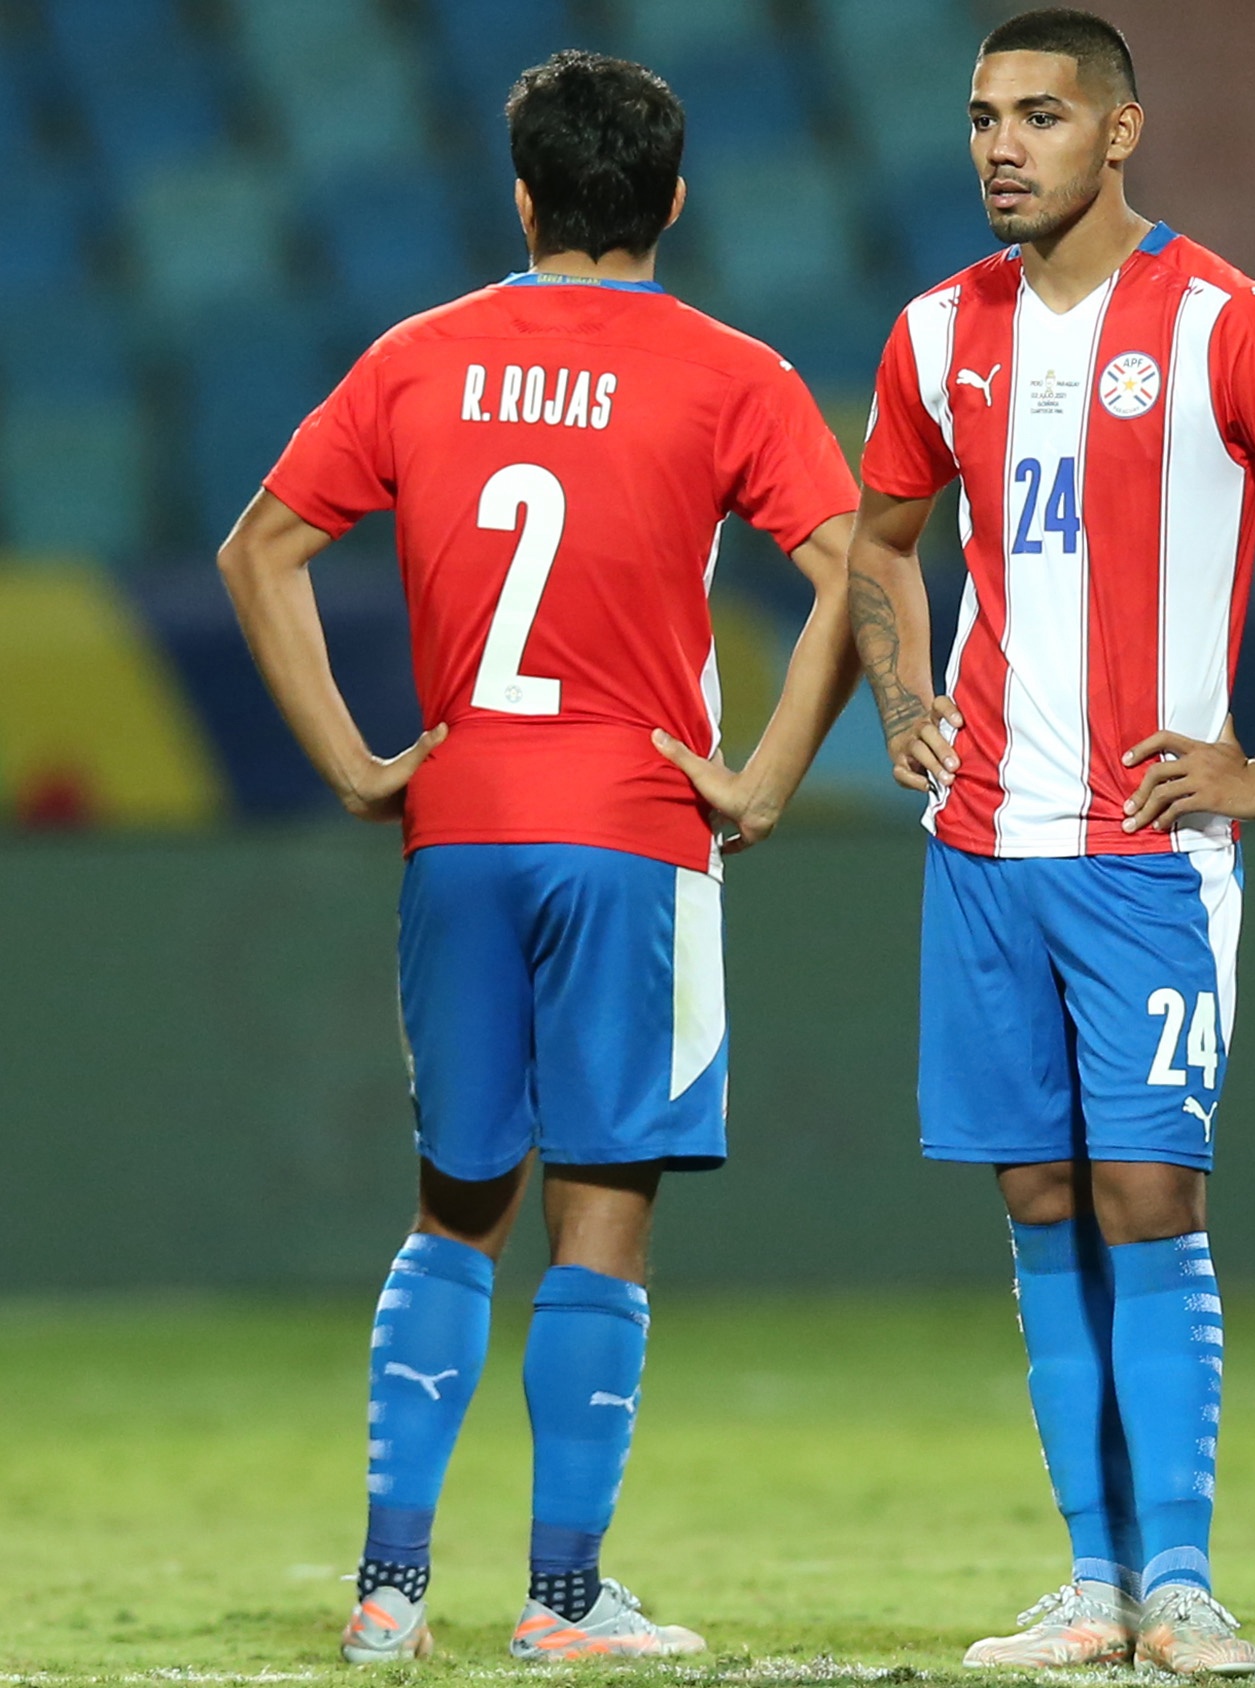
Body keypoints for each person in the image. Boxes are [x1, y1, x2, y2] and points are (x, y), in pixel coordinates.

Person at [218, 50, 865, 1664]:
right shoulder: (733, 375)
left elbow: (260, 551)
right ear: (675, 200)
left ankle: (386, 1591)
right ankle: (566, 1599)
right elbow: (864, 566)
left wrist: (361, 763)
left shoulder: (421, 359)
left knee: (453, 1211)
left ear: (521, 195)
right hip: (635, 833)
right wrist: (771, 769)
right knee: (605, 1215)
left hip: (462, 823)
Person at [841, 10, 1255, 1677]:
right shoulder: (933, 332)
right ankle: (1093, 1583)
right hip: (981, 846)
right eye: (979, 118)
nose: (999, 147)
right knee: (1039, 1193)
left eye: (1037, 115)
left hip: (1146, 851)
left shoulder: (1230, 326)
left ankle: (1182, 1576)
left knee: (1148, 1191)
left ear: (1122, 133)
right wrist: (899, 699)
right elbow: (882, 545)